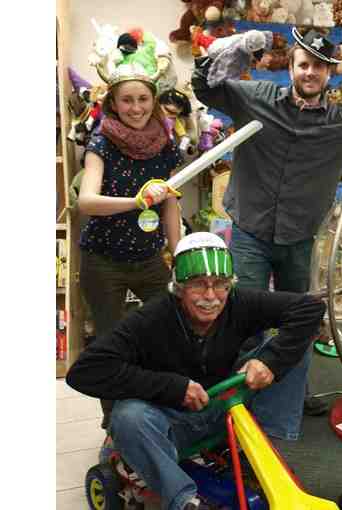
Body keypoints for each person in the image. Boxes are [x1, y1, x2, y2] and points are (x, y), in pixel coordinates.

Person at [190, 27, 342, 440]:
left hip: (301, 239)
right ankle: (244, 406)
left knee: (299, 324)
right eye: (304, 64)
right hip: (251, 230)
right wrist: (216, 53)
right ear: (291, 66)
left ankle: (289, 394)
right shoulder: (254, 98)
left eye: (319, 67)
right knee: (246, 321)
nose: (310, 73)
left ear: (329, 74)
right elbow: (206, 89)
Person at [66, 232, 326, 510]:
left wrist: (270, 362)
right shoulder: (151, 318)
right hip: (171, 422)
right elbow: (83, 371)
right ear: (179, 287)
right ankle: (184, 501)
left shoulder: (239, 302)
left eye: (220, 284)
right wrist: (174, 388)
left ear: (230, 285)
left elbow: (311, 309)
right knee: (129, 416)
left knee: (294, 350)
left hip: (225, 408)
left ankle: (261, 455)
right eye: (198, 284)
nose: (211, 296)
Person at [78, 62, 183, 431]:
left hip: (149, 258)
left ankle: (162, 412)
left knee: (170, 329)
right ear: (113, 103)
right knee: (110, 345)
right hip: (102, 261)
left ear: (153, 101)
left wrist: (179, 252)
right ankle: (115, 425)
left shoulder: (165, 144)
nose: (135, 108)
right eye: (127, 100)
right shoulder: (101, 142)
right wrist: (135, 202)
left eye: (142, 99)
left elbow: (170, 202)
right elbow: (86, 202)